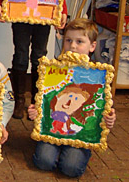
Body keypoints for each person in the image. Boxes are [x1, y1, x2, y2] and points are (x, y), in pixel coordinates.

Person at [27, 18, 117, 177]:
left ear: (92, 46)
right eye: (68, 40)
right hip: (53, 129)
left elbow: (102, 107)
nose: (73, 46)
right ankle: (54, 149)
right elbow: (44, 100)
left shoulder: (97, 75)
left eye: (79, 41)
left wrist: (108, 119)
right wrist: (36, 111)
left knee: (71, 169)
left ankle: (73, 151)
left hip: (79, 135)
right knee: (43, 162)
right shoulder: (52, 69)